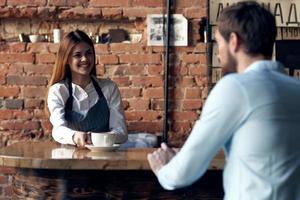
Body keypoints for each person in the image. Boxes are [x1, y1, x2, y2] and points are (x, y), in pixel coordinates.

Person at [147, 2, 300, 199]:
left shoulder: (236, 87)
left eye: (219, 43)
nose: (219, 53)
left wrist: (163, 168)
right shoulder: (296, 89)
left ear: (234, 41)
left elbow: (181, 174)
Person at [46, 30, 127, 147]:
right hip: (69, 159)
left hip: (105, 160)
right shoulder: (59, 91)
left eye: (89, 53)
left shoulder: (109, 88)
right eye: (78, 55)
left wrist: (95, 138)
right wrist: (74, 136)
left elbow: (121, 133)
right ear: (67, 60)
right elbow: (58, 130)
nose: (85, 59)